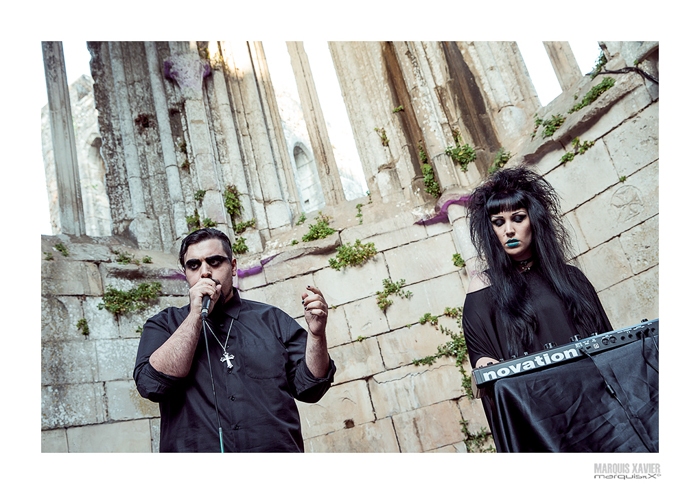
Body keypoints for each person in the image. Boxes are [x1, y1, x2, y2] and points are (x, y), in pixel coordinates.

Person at [134, 228, 336, 452]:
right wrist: (194, 317)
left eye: (215, 261)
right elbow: (151, 386)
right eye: (194, 265)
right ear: (185, 273)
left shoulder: (272, 319)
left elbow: (311, 388)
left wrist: (317, 335)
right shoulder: (164, 324)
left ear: (233, 267)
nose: (205, 272)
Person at [462, 166, 612, 370]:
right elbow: (482, 357)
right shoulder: (483, 286)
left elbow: (606, 341)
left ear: (534, 221)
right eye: (498, 222)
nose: (509, 231)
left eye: (518, 218)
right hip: (532, 397)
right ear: (491, 231)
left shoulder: (572, 278)